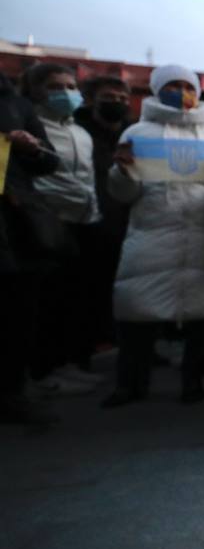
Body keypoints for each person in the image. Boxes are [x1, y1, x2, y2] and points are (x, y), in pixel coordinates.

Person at [103, 64, 204, 406]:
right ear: (155, 90)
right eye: (172, 85)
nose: (181, 92)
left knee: (202, 318)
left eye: (187, 85)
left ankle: (194, 382)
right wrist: (122, 171)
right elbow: (123, 194)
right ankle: (130, 385)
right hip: (151, 236)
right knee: (136, 315)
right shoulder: (137, 132)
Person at [19, 64, 105, 396]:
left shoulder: (80, 133)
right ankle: (44, 369)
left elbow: (87, 180)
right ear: (38, 90)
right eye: (57, 86)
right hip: (45, 221)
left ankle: (69, 363)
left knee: (74, 297)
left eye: (71, 86)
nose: (66, 92)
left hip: (83, 221)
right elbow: (42, 177)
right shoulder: (32, 127)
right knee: (48, 302)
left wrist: (90, 206)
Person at [0, 73, 62, 427]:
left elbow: (50, 161)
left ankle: (13, 391)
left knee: (17, 309)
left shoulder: (15, 105)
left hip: (15, 221)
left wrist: (30, 148)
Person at [75, 76, 135, 352]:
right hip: (88, 221)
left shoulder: (132, 134)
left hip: (127, 220)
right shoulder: (79, 132)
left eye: (123, 99)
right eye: (109, 97)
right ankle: (90, 344)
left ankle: (127, 342)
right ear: (90, 100)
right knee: (90, 287)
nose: (117, 103)